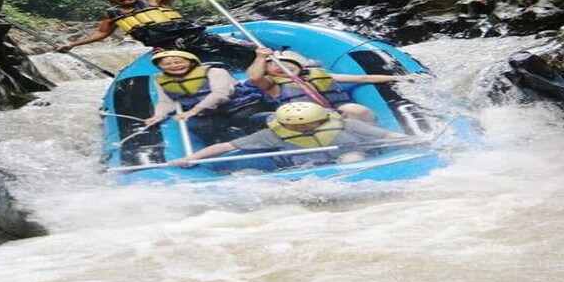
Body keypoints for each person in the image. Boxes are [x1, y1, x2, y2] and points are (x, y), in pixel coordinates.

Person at [55, 0, 255, 68]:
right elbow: (101, 33)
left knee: (234, 50)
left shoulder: (155, 1)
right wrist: (73, 45)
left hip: (194, 36)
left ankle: (260, 60)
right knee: (191, 67)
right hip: (165, 47)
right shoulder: (112, 15)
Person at [169, 102, 413, 167]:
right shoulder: (272, 134)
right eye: (297, 126)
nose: (304, 128)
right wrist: (191, 158)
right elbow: (225, 147)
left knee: (352, 160)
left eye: (310, 124)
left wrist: (409, 141)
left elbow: (388, 136)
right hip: (307, 165)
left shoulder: (346, 124)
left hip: (350, 156)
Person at [247, 46, 424, 123]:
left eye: (286, 66)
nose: (281, 70)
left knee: (356, 110)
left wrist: (400, 78)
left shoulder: (319, 75)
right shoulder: (272, 85)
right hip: (303, 119)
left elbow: (363, 79)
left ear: (299, 65)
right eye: (274, 68)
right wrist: (261, 57)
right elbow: (255, 78)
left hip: (336, 112)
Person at [143, 50, 274, 142]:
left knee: (242, 118)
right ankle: (225, 145)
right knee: (200, 127)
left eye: (178, 62)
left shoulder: (215, 72)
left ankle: (266, 138)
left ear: (191, 62)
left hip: (240, 105)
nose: (174, 66)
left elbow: (221, 93)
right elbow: (166, 102)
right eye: (167, 64)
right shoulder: (161, 80)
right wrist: (159, 115)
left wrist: (194, 111)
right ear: (160, 66)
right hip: (210, 112)